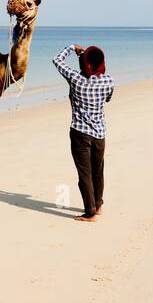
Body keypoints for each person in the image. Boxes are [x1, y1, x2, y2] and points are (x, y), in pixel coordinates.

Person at [53, 44, 114, 222]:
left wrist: (72, 48)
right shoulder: (108, 81)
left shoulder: (75, 79)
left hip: (80, 133)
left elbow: (57, 60)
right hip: (100, 134)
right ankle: (98, 204)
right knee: (98, 171)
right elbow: (108, 99)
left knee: (84, 175)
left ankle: (90, 212)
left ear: (84, 63)